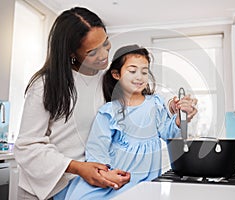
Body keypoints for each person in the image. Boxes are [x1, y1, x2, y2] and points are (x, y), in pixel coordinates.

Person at [14, 7, 197, 200]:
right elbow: (27, 145)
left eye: (106, 43)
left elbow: (144, 100)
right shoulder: (45, 85)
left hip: (92, 180)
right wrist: (78, 167)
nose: (103, 55)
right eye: (93, 52)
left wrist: (174, 106)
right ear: (71, 53)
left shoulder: (105, 78)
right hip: (45, 188)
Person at [64, 44, 188, 200]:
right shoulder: (109, 111)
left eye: (144, 72)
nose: (139, 77)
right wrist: (106, 175)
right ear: (116, 74)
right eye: (132, 71)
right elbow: (97, 149)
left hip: (143, 183)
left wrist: (178, 119)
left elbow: (168, 132)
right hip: (114, 178)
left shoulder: (155, 103)